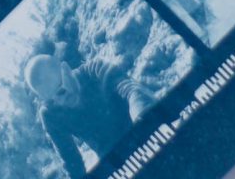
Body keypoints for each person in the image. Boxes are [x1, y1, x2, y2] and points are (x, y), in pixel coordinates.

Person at [25, 49, 153, 179]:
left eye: (61, 91)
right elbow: (72, 163)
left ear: (66, 69)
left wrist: (145, 121)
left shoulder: (95, 70)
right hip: (117, 163)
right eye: (51, 101)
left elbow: (132, 91)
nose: (60, 101)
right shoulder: (50, 115)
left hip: (143, 133)